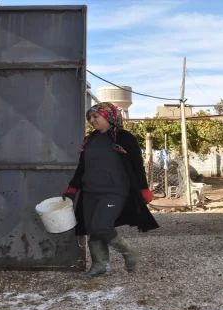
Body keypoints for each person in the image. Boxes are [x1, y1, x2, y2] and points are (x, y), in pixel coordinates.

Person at [62, 102, 159, 278]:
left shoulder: (123, 137)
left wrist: (143, 188)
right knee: (92, 228)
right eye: (89, 118)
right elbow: (82, 167)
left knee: (102, 226)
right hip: (90, 192)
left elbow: (137, 164)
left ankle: (129, 252)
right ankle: (100, 266)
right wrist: (73, 187)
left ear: (109, 117)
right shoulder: (90, 140)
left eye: (95, 116)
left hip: (114, 191)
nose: (91, 120)